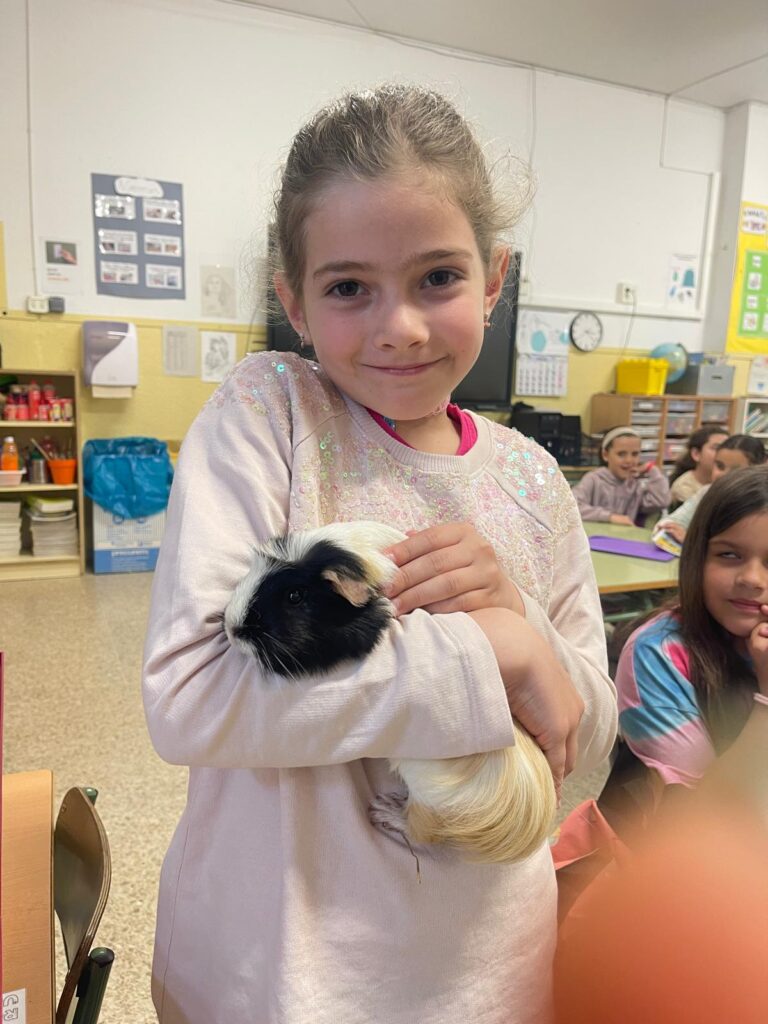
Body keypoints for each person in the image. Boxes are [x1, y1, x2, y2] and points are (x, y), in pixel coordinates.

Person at [142, 84, 617, 1024]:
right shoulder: (270, 415)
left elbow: (587, 726)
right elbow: (192, 698)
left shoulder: (535, 480)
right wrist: (491, 654)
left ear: (494, 277)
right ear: (293, 299)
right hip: (283, 972)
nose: (398, 325)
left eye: (438, 277)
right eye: (348, 287)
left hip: (487, 971)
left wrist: (523, 626)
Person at [615, 465, 768, 808]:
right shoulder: (658, 653)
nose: (751, 578)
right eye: (729, 555)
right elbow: (702, 814)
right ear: (697, 556)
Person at [653, 434, 767, 548]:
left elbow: (742, 549)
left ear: (758, 468)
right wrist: (668, 528)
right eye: (719, 466)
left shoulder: (762, 503)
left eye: (735, 470)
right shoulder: (706, 492)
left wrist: (691, 540)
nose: (723, 475)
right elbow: (670, 522)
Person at [572, 426, 670, 525]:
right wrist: (610, 517)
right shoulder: (593, 479)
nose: (629, 460)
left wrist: (651, 469)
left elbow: (661, 502)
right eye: (621, 454)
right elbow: (571, 507)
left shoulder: (635, 486)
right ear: (605, 455)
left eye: (635, 454)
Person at [667, 423, 729, 506]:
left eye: (726, 448)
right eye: (716, 448)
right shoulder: (684, 487)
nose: (723, 454)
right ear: (696, 454)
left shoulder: (727, 481)